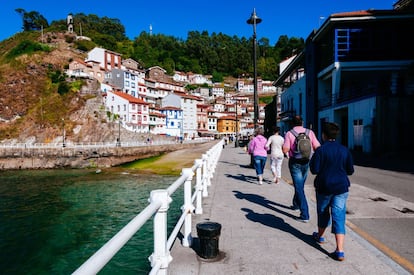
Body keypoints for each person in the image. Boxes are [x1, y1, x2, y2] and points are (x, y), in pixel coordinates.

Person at [309, 122, 354, 261]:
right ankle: (340, 250)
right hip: (341, 187)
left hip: (324, 186)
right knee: (339, 215)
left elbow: (314, 170)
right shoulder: (344, 149)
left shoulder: (321, 151)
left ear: (324, 135)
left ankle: (320, 236)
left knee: (323, 212)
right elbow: (350, 170)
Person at [282, 115, 320, 222]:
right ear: (302, 123)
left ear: (292, 123)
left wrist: (286, 153)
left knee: (299, 187)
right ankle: (296, 204)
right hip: (306, 161)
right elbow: (317, 146)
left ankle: (305, 214)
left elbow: (285, 149)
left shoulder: (289, 133)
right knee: (300, 185)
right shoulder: (310, 132)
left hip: (295, 162)